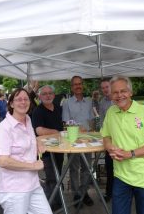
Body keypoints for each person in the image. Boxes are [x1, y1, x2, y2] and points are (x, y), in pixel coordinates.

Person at [101, 76, 144, 214]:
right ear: (111, 94)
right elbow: (106, 136)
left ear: (130, 92)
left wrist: (130, 153)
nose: (119, 95)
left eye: (123, 91)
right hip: (120, 176)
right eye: (115, 92)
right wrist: (110, 147)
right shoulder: (111, 112)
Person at [0, 88, 52, 214]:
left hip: (33, 185)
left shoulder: (27, 120)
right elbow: (3, 161)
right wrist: (33, 166)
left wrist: (38, 142)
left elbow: (29, 138)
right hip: (14, 190)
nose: (23, 102)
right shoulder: (4, 129)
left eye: (26, 99)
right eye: (18, 99)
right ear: (11, 104)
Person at [62, 75, 94, 207]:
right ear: (72, 87)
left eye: (80, 83)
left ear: (83, 85)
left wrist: (92, 131)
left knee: (87, 168)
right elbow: (65, 123)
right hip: (73, 141)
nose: (78, 86)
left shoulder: (89, 101)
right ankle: (76, 194)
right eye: (75, 84)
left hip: (87, 141)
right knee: (74, 168)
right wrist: (78, 128)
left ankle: (84, 192)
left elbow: (91, 120)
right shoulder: (67, 103)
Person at [32, 85, 64, 211]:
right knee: (51, 177)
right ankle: (50, 204)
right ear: (39, 96)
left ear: (54, 95)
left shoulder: (58, 108)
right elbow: (39, 130)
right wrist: (56, 132)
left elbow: (64, 124)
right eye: (44, 94)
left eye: (50, 93)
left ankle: (57, 199)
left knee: (58, 175)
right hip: (46, 151)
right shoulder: (37, 111)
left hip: (60, 149)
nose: (48, 96)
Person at [98, 79, 114, 202]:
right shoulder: (102, 102)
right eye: (103, 88)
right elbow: (102, 122)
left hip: (123, 139)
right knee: (109, 168)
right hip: (109, 140)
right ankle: (109, 193)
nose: (105, 89)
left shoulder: (118, 99)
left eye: (107, 86)